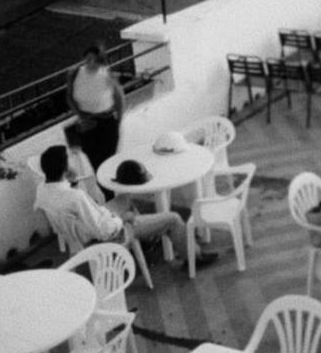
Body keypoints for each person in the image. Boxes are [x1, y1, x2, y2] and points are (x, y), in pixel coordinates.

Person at [34, 144, 211, 266]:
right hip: (108, 236)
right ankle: (195, 258)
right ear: (65, 170)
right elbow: (103, 231)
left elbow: (74, 211)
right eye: (69, 161)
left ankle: (146, 238)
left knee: (125, 199)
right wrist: (122, 219)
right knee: (173, 218)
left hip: (80, 235)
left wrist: (70, 182)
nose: (73, 163)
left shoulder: (42, 190)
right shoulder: (76, 197)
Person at [67, 43, 126, 183]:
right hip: (87, 123)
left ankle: (110, 194)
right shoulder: (74, 73)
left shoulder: (107, 75)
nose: (91, 63)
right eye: (88, 59)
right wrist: (81, 117)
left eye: (95, 60)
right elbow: (69, 97)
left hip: (107, 122)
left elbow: (120, 99)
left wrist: (118, 121)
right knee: (94, 162)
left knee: (108, 162)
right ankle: (105, 196)